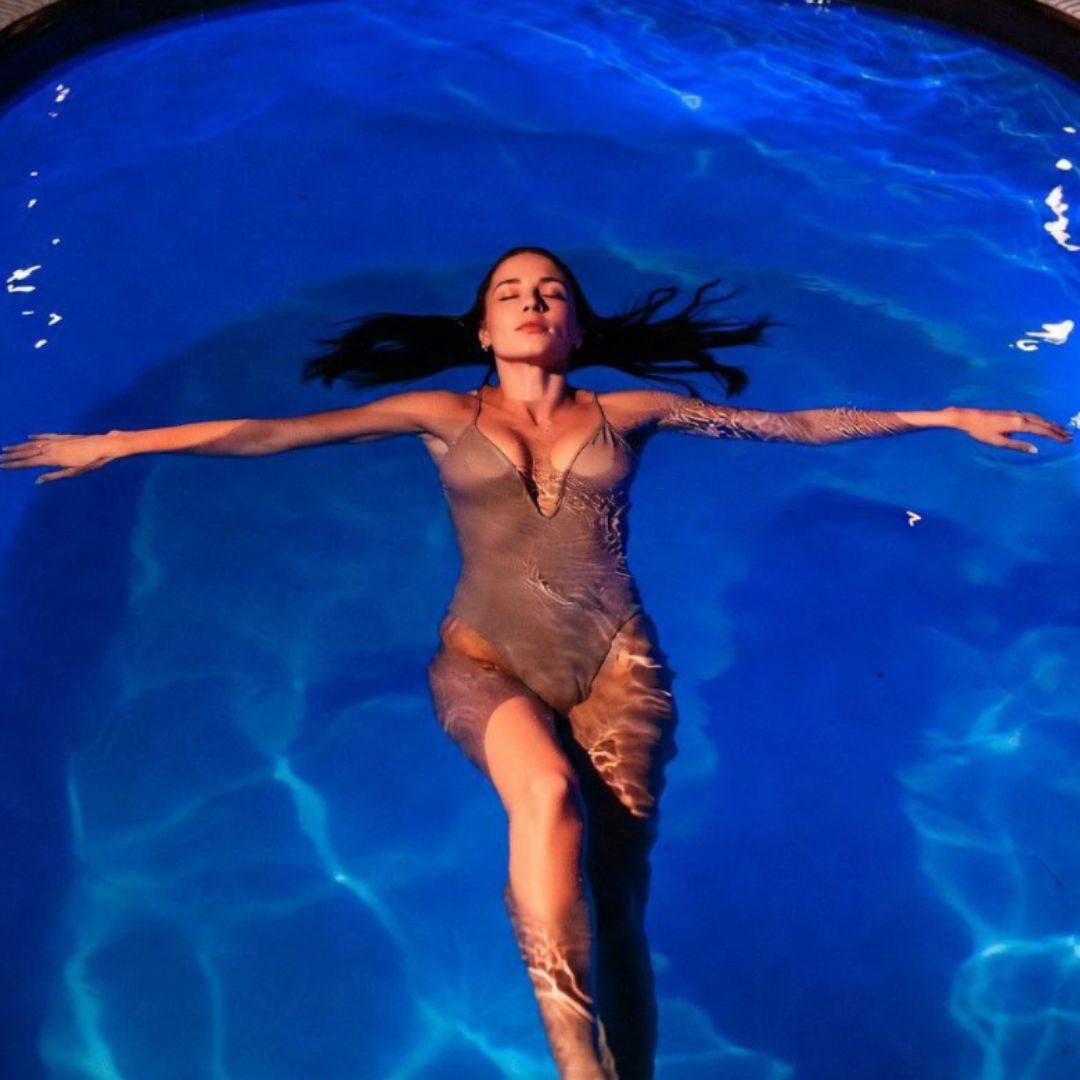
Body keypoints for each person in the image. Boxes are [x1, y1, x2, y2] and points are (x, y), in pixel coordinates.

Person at [2, 246, 1071, 1079]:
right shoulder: (441, 412)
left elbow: (793, 427)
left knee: (620, 899)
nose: (532, 301)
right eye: (511, 292)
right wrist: (117, 445)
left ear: (575, 325)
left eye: (551, 291)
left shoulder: (630, 411)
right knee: (548, 798)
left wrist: (946, 415)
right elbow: (274, 434)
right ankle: (575, 1064)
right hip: (485, 662)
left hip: (617, 669)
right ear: (482, 326)